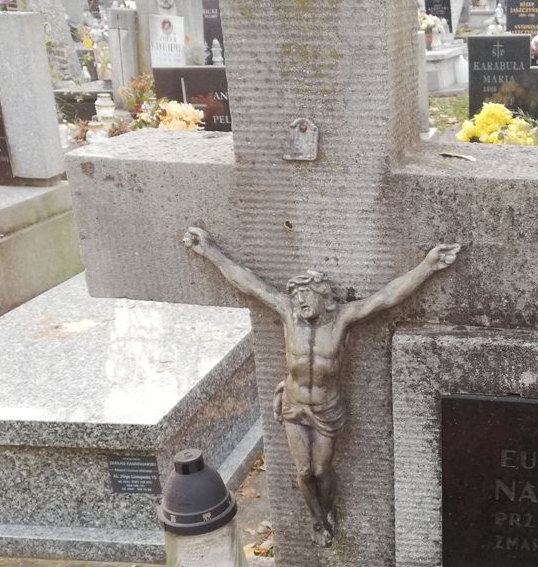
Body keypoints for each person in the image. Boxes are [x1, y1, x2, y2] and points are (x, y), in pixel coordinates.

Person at [183, 227, 459, 546]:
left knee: (322, 469)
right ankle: (317, 519)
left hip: (327, 408)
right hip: (294, 404)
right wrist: (210, 250)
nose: (300, 300)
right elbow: (249, 283)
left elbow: (386, 297)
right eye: (296, 295)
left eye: (306, 294)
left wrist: (427, 266)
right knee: (303, 471)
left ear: (323, 297)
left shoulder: (342, 319)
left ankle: (328, 510)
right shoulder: (288, 314)